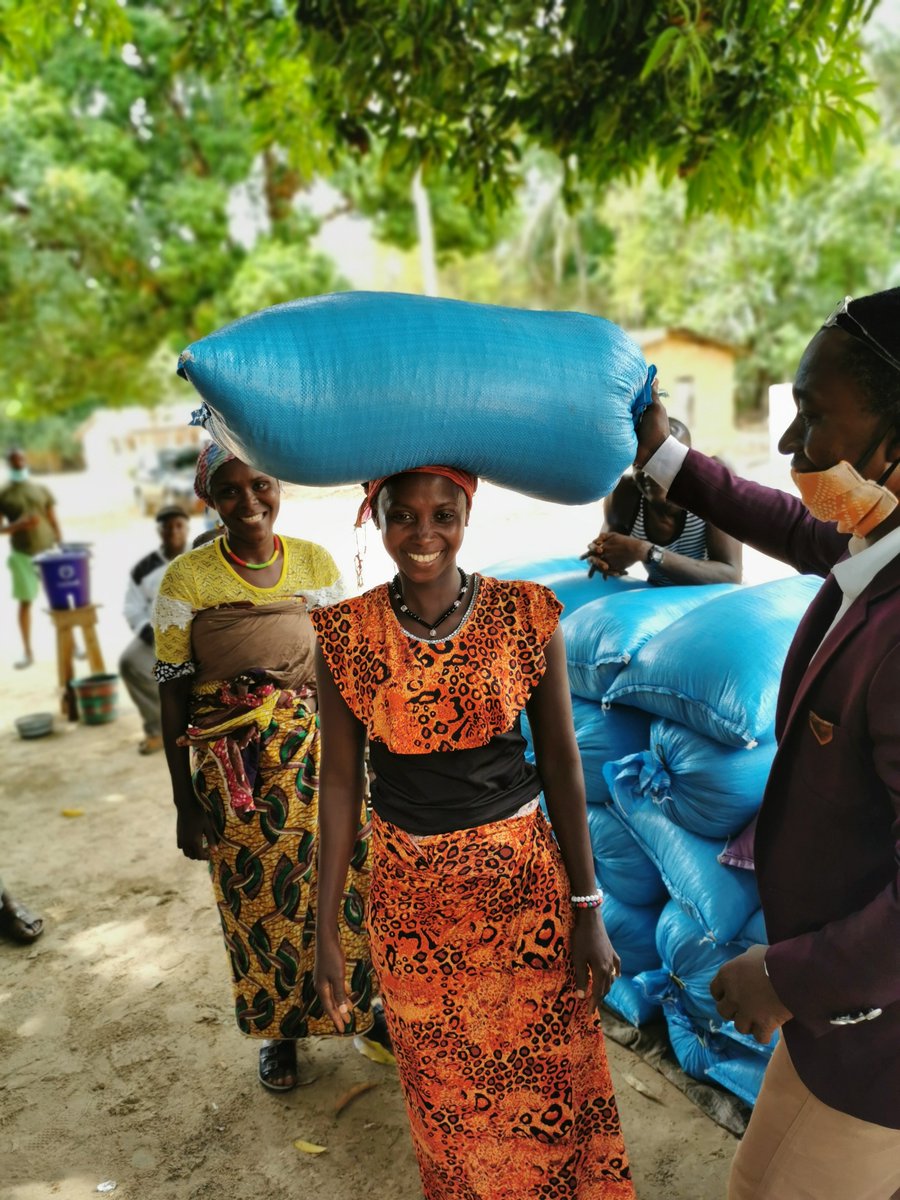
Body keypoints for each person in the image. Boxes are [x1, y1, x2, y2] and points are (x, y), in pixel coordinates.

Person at [633, 289, 900, 1200]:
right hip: (847, 1021)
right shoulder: (879, 546)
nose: (790, 446)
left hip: (877, 1043)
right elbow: (795, 527)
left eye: (814, 418)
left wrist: (788, 977)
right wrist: (665, 455)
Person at [311, 466, 634, 1199]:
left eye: (443, 513)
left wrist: (588, 910)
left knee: (549, 1084)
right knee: (447, 1105)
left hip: (522, 898)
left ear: (467, 515)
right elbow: (337, 783)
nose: (423, 535)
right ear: (375, 516)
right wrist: (326, 930)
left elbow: (561, 764)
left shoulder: (527, 615)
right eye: (402, 515)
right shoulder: (343, 634)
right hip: (411, 906)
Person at [153, 443, 378, 1092]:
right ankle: (278, 1030)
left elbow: (344, 665)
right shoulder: (186, 582)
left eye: (261, 485)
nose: (249, 502)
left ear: (278, 487)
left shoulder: (314, 562)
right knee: (257, 907)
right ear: (210, 499)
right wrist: (183, 804)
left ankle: (360, 1011)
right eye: (230, 491)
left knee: (346, 893)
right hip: (238, 780)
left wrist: (365, 763)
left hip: (321, 762)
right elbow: (172, 691)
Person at [584, 417, 742, 585]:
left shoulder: (709, 488)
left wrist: (645, 551)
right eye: (640, 463)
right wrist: (602, 558)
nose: (649, 473)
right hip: (658, 603)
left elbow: (731, 575)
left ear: (689, 460)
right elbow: (607, 553)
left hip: (709, 601)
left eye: (663, 460)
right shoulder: (626, 494)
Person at [119, 505, 190, 755]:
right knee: (130, 662)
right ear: (159, 531)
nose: (173, 531)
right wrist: (148, 634)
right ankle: (157, 729)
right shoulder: (144, 568)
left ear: (186, 528)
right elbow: (132, 607)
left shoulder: (201, 555)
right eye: (167, 527)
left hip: (198, 632)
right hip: (158, 634)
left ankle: (199, 726)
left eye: (178, 525)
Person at [0, 448, 62, 668]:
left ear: (26, 461)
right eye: (14, 461)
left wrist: (61, 545)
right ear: (9, 463)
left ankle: (71, 646)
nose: (19, 463)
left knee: (61, 602)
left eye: (21, 459)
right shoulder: (4, 493)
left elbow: (54, 520)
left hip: (48, 551)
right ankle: (27, 652)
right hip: (22, 554)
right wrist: (20, 525)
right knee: (25, 603)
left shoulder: (40, 488)